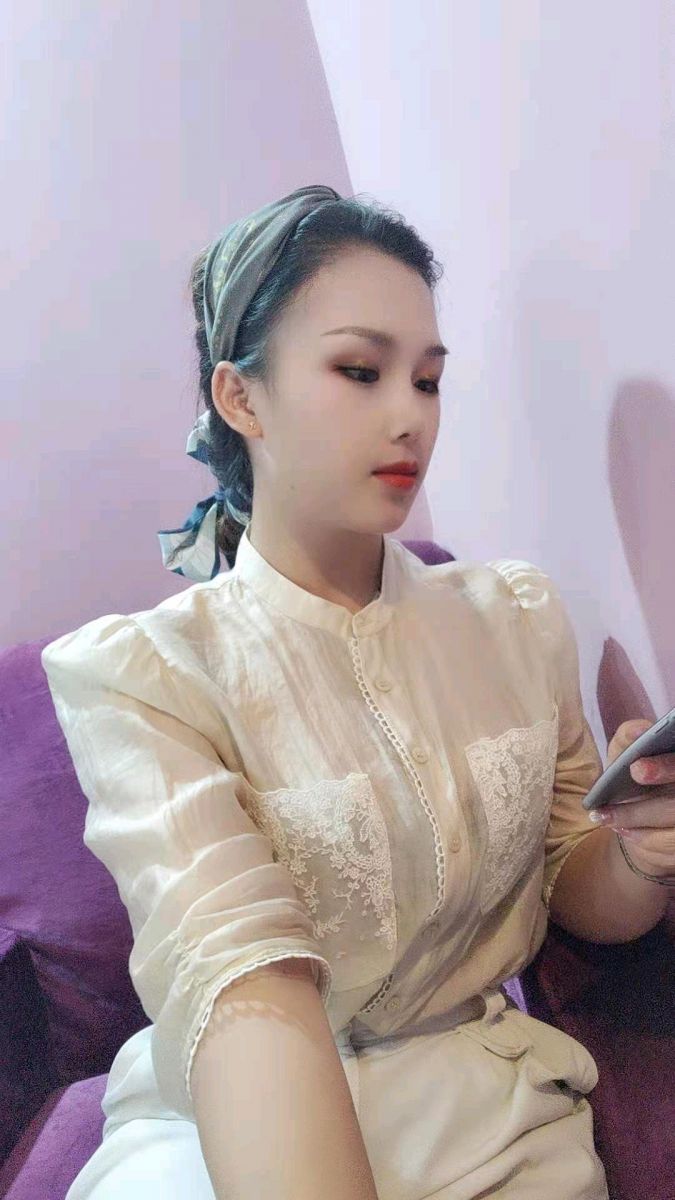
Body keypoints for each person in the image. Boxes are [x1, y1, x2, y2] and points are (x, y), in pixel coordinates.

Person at [41, 185, 614, 1198]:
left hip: (488, 1108)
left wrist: (642, 855)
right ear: (241, 398)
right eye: (360, 371)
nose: (410, 416)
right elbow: (236, 968)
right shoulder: (152, 676)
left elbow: (575, 874)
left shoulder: (514, 620)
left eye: (429, 380)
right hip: (231, 1115)